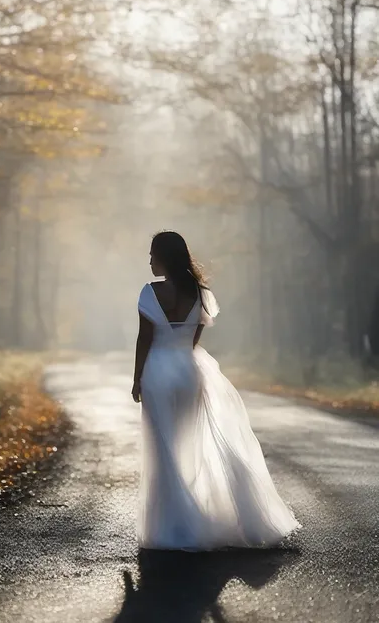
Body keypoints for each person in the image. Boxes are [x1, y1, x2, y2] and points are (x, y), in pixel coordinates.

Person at [132, 230, 300, 551]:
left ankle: (175, 525)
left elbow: (145, 339)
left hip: (157, 373)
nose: (150, 260)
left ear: (165, 257)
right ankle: (200, 515)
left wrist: (137, 378)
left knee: (163, 449)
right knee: (187, 443)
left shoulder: (149, 293)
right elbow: (193, 339)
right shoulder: (201, 293)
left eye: (153, 254)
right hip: (188, 371)